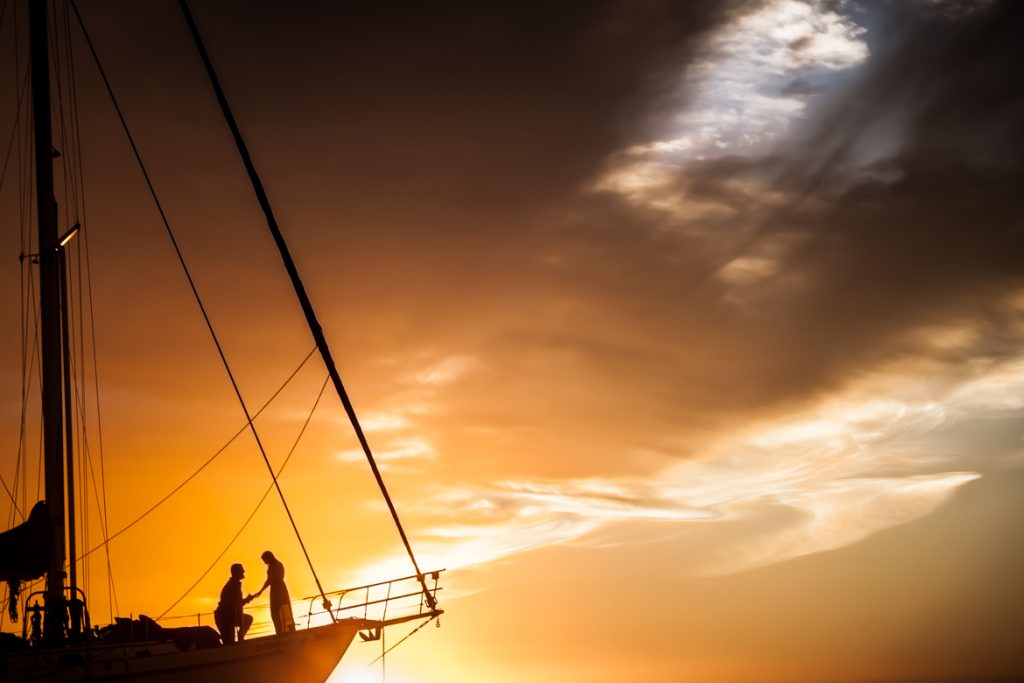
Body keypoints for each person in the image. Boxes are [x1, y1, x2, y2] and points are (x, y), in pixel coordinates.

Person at [256, 550, 295, 634]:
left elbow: (270, 580)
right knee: (277, 612)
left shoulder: (276, 565)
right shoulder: (274, 565)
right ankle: (280, 630)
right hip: (276, 589)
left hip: (278, 590)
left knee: (281, 611)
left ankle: (286, 631)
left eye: (264, 560)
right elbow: (270, 580)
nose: (264, 562)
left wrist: (261, 591)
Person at [214, 563, 254, 644]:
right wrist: (247, 599)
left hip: (230, 616)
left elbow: (237, 603)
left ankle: (240, 639)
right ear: (235, 572)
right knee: (229, 643)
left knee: (248, 619)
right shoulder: (232, 586)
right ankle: (239, 641)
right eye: (241, 569)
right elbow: (237, 604)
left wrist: (247, 599)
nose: (243, 571)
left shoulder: (235, 584)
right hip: (224, 618)